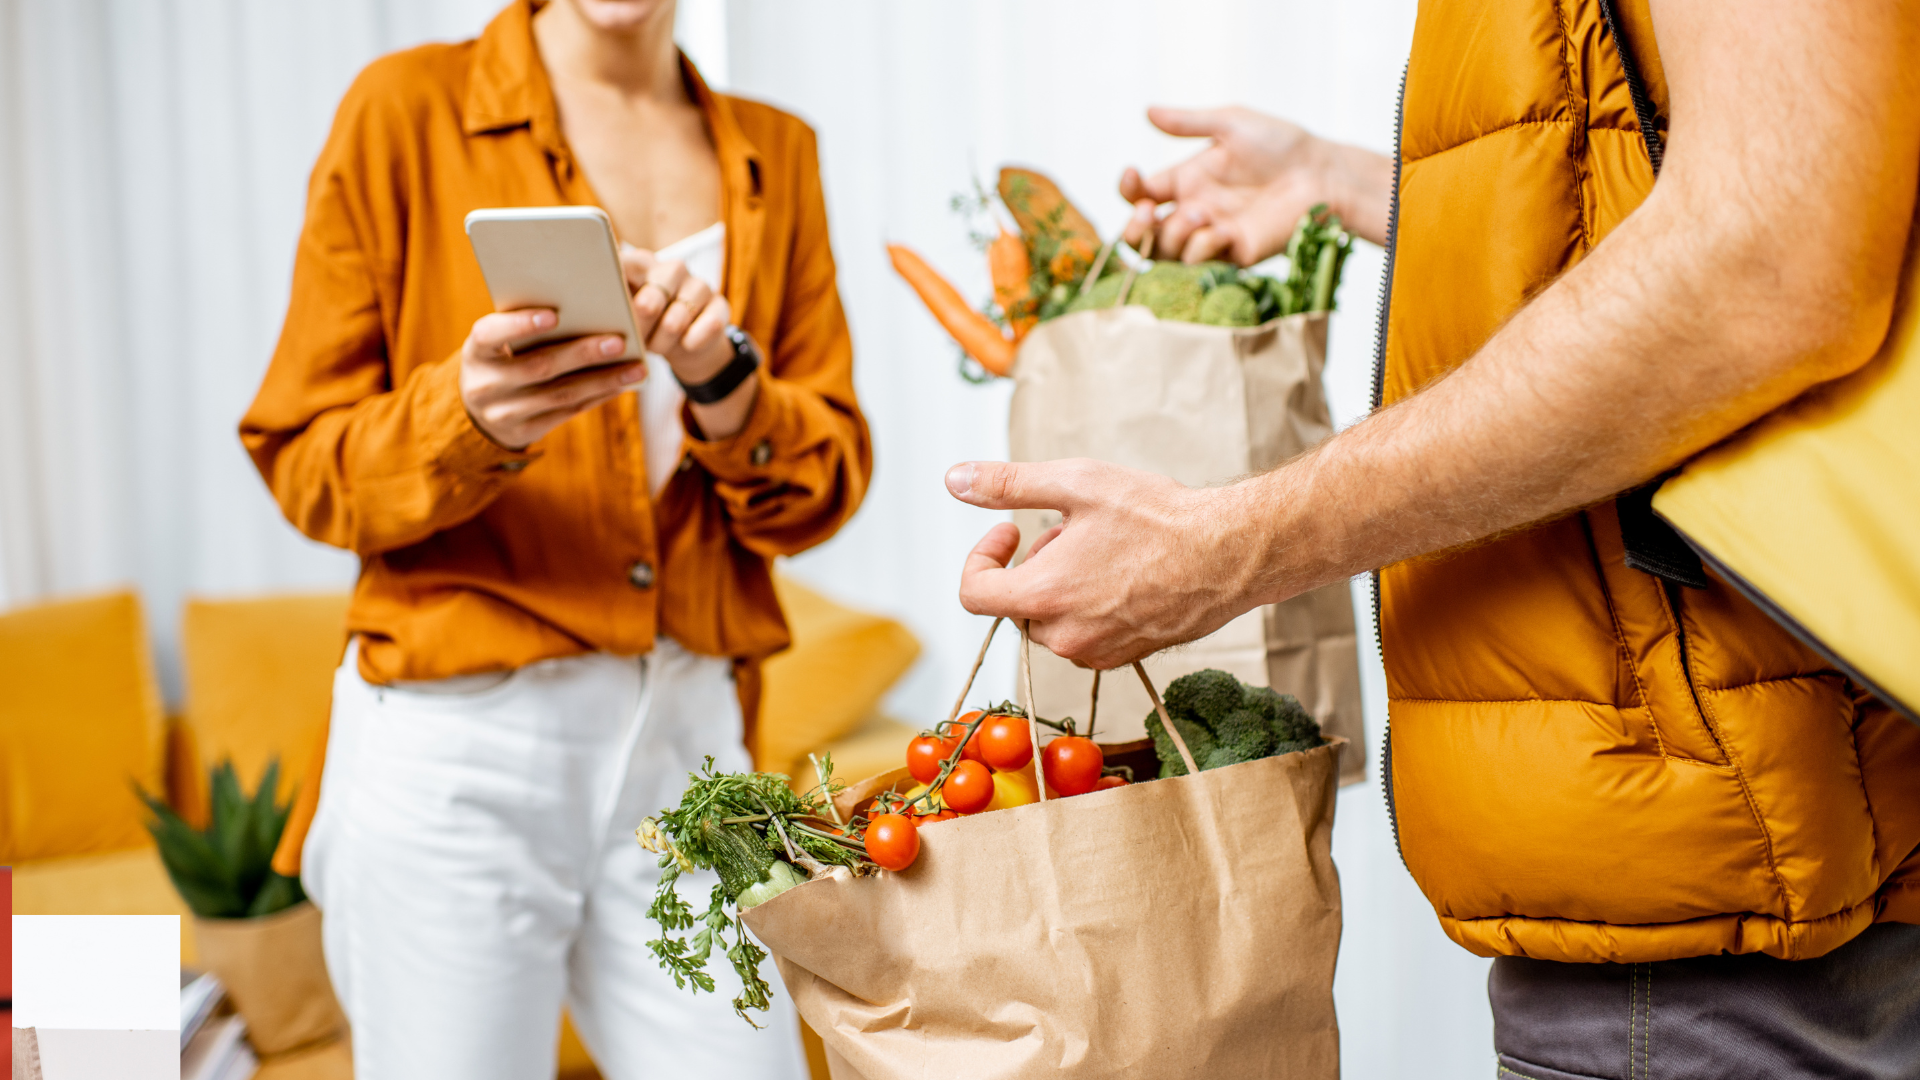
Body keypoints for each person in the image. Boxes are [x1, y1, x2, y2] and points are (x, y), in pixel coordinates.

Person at [948, 1, 1920, 1077]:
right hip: (1716, 864)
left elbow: (1768, 259)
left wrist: (1227, 546)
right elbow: (1665, 166)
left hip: (1732, 899)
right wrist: (1348, 181)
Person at [240, 0, 867, 1076]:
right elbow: (304, 462)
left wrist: (722, 378)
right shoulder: (404, 112)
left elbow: (821, 490)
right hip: (457, 744)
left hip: (693, 738)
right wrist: (467, 419)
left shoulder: (778, 151)